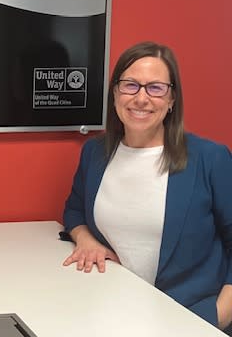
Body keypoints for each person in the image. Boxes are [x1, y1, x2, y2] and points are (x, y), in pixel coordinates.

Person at [62, 41, 232, 331]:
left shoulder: (210, 158)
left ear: (172, 100)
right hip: (113, 313)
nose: (141, 98)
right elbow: (74, 210)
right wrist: (85, 239)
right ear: (115, 93)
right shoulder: (95, 153)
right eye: (130, 85)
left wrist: (217, 316)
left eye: (155, 88)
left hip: (190, 319)